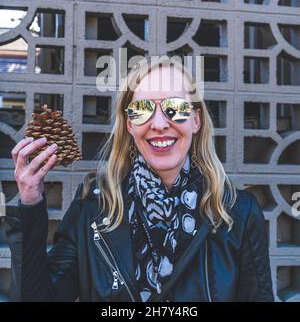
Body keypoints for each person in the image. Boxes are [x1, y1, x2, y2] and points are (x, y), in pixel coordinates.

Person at [5, 57, 274, 302]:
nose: (158, 123)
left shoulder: (239, 213)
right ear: (129, 124)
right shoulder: (92, 207)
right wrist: (30, 203)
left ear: (196, 120)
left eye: (175, 107)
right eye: (142, 109)